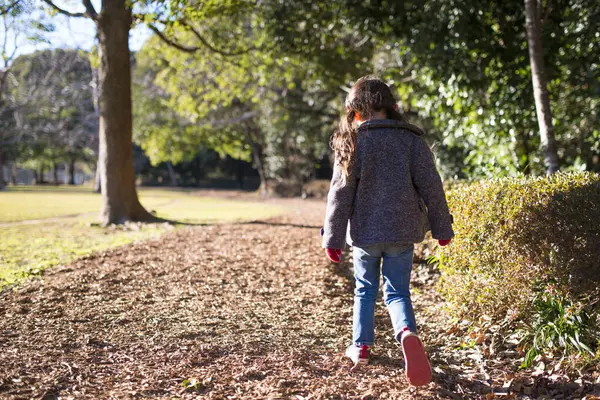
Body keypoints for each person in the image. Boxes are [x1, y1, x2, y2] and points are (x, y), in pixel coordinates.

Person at [321, 76, 454, 386]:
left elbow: (340, 194)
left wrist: (333, 237)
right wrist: (441, 227)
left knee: (365, 289)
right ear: (392, 108)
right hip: (402, 229)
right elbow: (431, 186)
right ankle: (407, 332)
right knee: (397, 292)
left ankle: (362, 346)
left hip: (365, 232)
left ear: (354, 111)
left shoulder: (352, 142)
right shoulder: (411, 140)